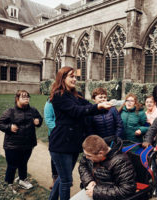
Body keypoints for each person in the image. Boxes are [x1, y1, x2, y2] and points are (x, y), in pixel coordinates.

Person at [48, 66, 112, 200]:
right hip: (61, 144)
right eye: (71, 76)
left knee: (63, 177)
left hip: (73, 144)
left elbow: (87, 106)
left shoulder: (76, 95)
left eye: (75, 77)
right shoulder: (59, 96)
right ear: (62, 78)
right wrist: (98, 106)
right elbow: (76, 111)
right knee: (66, 181)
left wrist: (100, 105)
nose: (75, 79)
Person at [0, 90, 43, 193]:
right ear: (17, 99)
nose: (27, 99)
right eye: (23, 97)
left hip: (28, 144)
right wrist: (9, 127)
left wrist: (38, 121)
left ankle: (22, 180)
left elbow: (39, 119)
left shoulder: (33, 111)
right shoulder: (10, 111)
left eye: (28, 97)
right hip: (12, 145)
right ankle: (9, 184)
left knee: (23, 163)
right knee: (12, 165)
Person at [70, 135, 136, 200]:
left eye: (89, 156)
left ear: (100, 153)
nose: (86, 157)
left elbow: (127, 190)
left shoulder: (121, 162)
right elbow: (83, 165)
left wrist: (96, 191)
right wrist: (89, 181)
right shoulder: (93, 151)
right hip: (93, 191)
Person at [44, 99, 58, 189]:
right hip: (55, 135)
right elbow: (49, 120)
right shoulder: (50, 103)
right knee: (55, 157)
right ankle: (55, 178)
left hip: (68, 135)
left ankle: (65, 178)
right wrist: (60, 132)